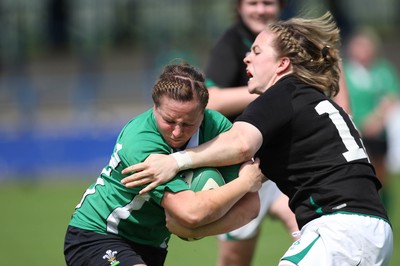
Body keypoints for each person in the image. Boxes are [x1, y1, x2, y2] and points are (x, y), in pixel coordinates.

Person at [121, 13, 393, 265]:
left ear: (282, 64)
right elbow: (250, 180)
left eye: (257, 51)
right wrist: (196, 223)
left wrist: (176, 162)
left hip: (339, 231)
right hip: (364, 228)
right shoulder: (310, 102)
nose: (246, 59)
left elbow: (239, 144)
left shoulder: (283, 93)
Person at [64, 62, 264, 266]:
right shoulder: (140, 141)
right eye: (169, 121)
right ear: (154, 107)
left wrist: (195, 231)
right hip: (98, 235)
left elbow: (250, 207)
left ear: (203, 113)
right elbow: (191, 212)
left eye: (188, 124)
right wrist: (246, 182)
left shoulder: (215, 126)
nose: (177, 132)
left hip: (153, 246)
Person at [204, 1, 298, 265]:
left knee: (307, 224)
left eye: (267, 3)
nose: (260, 10)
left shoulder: (293, 39)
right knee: (235, 260)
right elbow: (211, 99)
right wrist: (272, 88)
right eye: (252, 3)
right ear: (239, 7)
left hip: (285, 156)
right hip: (244, 164)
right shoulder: (231, 43)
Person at [343, 28, 400, 208]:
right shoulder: (345, 73)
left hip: (378, 133)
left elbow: (391, 97)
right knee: (362, 173)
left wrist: (377, 119)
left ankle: (384, 207)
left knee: (381, 175)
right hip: (354, 131)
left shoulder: (383, 71)